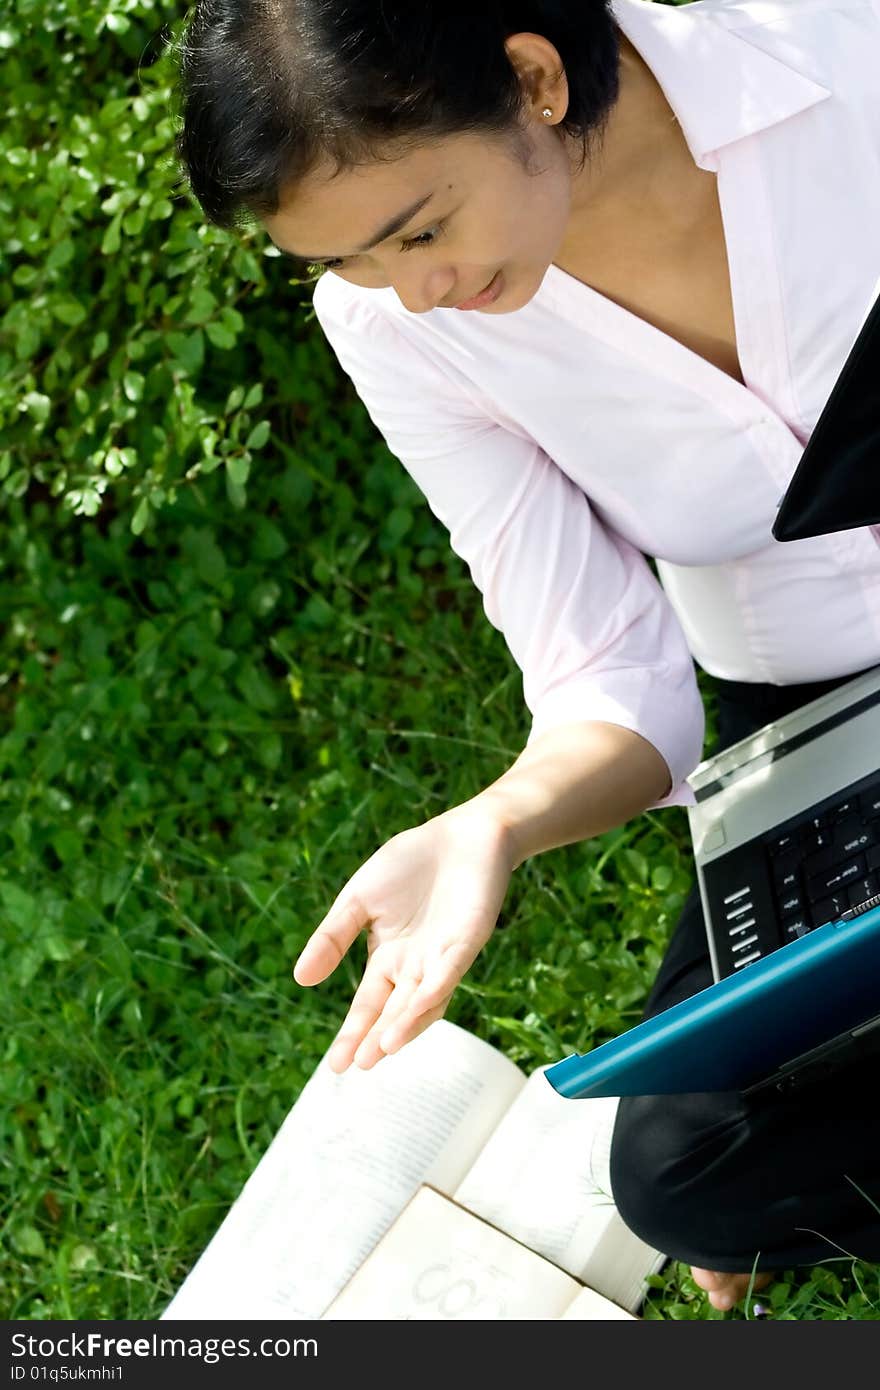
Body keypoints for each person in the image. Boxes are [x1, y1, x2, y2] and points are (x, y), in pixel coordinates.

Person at [175, 0, 880, 1312]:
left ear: (534, 78)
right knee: (687, 1164)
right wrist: (494, 823)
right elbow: (609, 675)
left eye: (420, 230)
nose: (416, 292)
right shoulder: (397, 329)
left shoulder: (830, 45)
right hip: (814, 700)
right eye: (354, 265)